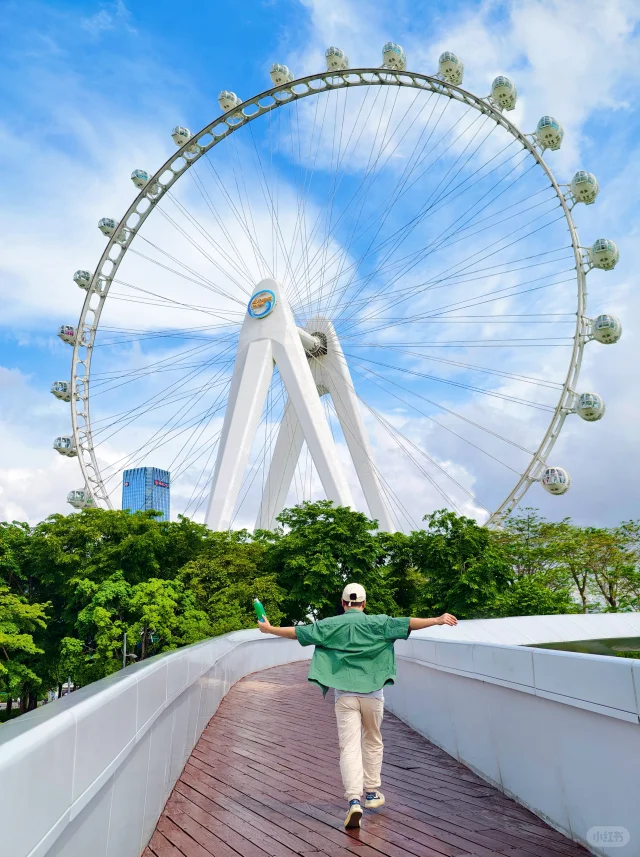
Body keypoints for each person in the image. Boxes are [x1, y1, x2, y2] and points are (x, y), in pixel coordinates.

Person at [258, 582, 457, 829]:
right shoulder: (379, 622)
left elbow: (299, 632)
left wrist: (269, 629)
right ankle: (372, 793)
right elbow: (407, 623)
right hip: (373, 695)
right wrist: (437, 619)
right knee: (372, 739)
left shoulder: (330, 624)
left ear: (343, 603)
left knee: (349, 747)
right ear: (364, 603)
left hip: (345, 696)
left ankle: (354, 800)